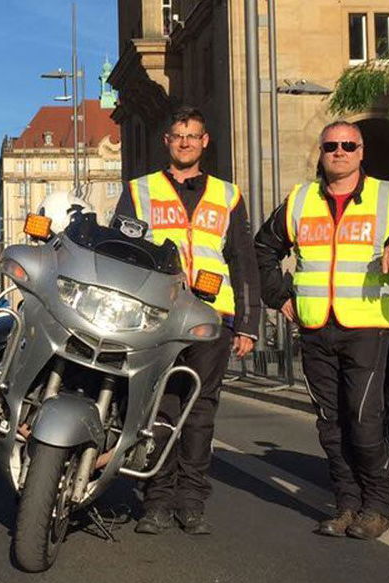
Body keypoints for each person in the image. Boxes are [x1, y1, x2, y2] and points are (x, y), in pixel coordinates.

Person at [254, 121, 389, 540]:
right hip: (314, 326)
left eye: (347, 145)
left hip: (366, 325)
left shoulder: (388, 196)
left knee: (363, 419)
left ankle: (379, 501)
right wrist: (279, 296)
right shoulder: (300, 200)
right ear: (322, 152)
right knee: (331, 423)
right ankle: (346, 504)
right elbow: (264, 247)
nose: (339, 152)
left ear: (361, 152)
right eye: (331, 146)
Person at [114, 106, 260, 536]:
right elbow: (121, 253)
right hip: (158, 315)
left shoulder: (227, 195)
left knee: (199, 411)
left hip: (213, 316)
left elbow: (243, 260)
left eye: (192, 136)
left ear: (204, 142)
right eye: (178, 136)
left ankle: (191, 502)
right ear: (167, 142)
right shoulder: (140, 190)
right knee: (159, 408)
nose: (184, 143)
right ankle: (157, 501)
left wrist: (248, 323)